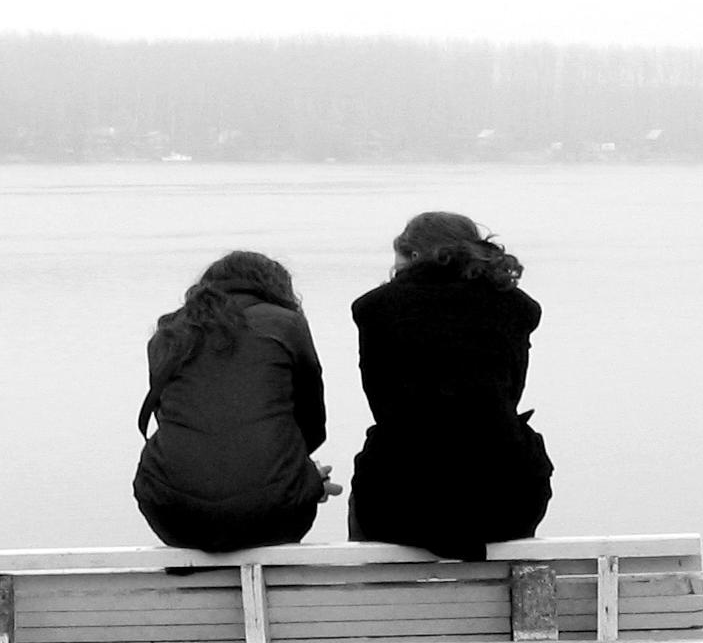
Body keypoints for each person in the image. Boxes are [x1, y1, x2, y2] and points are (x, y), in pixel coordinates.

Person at [348, 212, 553, 561]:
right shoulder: (514, 307)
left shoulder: (377, 308)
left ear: (412, 256)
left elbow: (382, 403)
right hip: (504, 498)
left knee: (378, 463)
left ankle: (378, 605)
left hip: (401, 500)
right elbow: (510, 394)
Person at [133, 251, 340, 552]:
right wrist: (297, 477)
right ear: (276, 289)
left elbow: (177, 424)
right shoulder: (285, 324)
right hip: (275, 516)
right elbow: (312, 426)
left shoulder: (169, 333)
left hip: (172, 514)